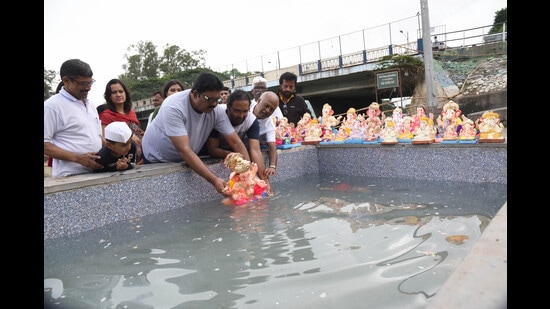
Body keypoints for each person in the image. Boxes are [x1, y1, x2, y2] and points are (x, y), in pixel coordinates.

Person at [142, 72, 250, 195]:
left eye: (217, 99)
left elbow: (236, 142)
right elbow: (185, 150)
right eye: (210, 99)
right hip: (155, 158)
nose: (215, 104)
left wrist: (249, 173)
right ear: (195, 94)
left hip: (183, 159)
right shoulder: (173, 107)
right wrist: (214, 180)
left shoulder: (216, 110)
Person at [204, 89, 274, 195]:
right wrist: (232, 156)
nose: (241, 115)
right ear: (228, 107)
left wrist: (264, 181)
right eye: (237, 111)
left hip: (237, 150)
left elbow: (255, 150)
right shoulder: (218, 115)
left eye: (245, 111)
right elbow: (212, 149)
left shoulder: (252, 121)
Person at [44, 59, 104, 178]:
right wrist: (77, 158)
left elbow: (96, 136)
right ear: (66, 81)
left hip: (96, 174)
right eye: (83, 83)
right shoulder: (52, 106)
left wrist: (116, 147)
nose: (88, 88)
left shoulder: (90, 105)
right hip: (70, 178)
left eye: (90, 83)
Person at [99, 78, 144, 163]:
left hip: (138, 154)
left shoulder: (131, 113)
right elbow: (105, 140)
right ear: (109, 96)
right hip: (121, 159)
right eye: (114, 92)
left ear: (125, 93)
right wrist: (128, 139)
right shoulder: (106, 115)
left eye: (121, 91)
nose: (118, 95)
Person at [250, 91, 280, 179]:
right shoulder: (246, 109)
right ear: (259, 101)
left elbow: (272, 145)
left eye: (271, 109)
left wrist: (272, 166)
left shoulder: (269, 124)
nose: (267, 110)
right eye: (266, 106)